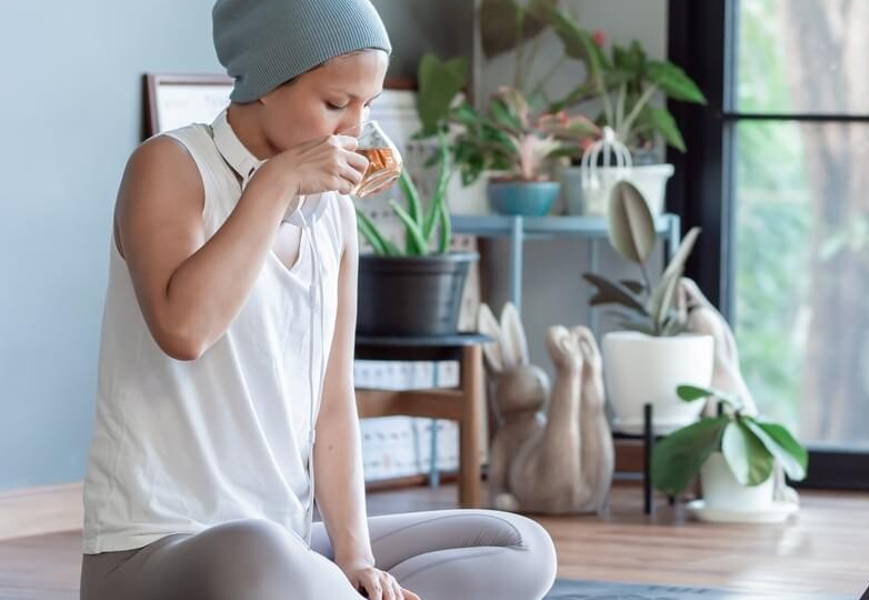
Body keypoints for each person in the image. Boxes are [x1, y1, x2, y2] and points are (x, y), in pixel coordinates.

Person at [78, 1, 557, 598]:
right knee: (260, 554)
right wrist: (275, 182)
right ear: (265, 82)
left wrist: (358, 559)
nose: (354, 129)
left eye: (367, 105)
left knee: (519, 544)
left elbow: (334, 404)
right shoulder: (171, 166)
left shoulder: (332, 213)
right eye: (335, 104)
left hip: (292, 548)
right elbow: (184, 330)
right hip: (161, 549)